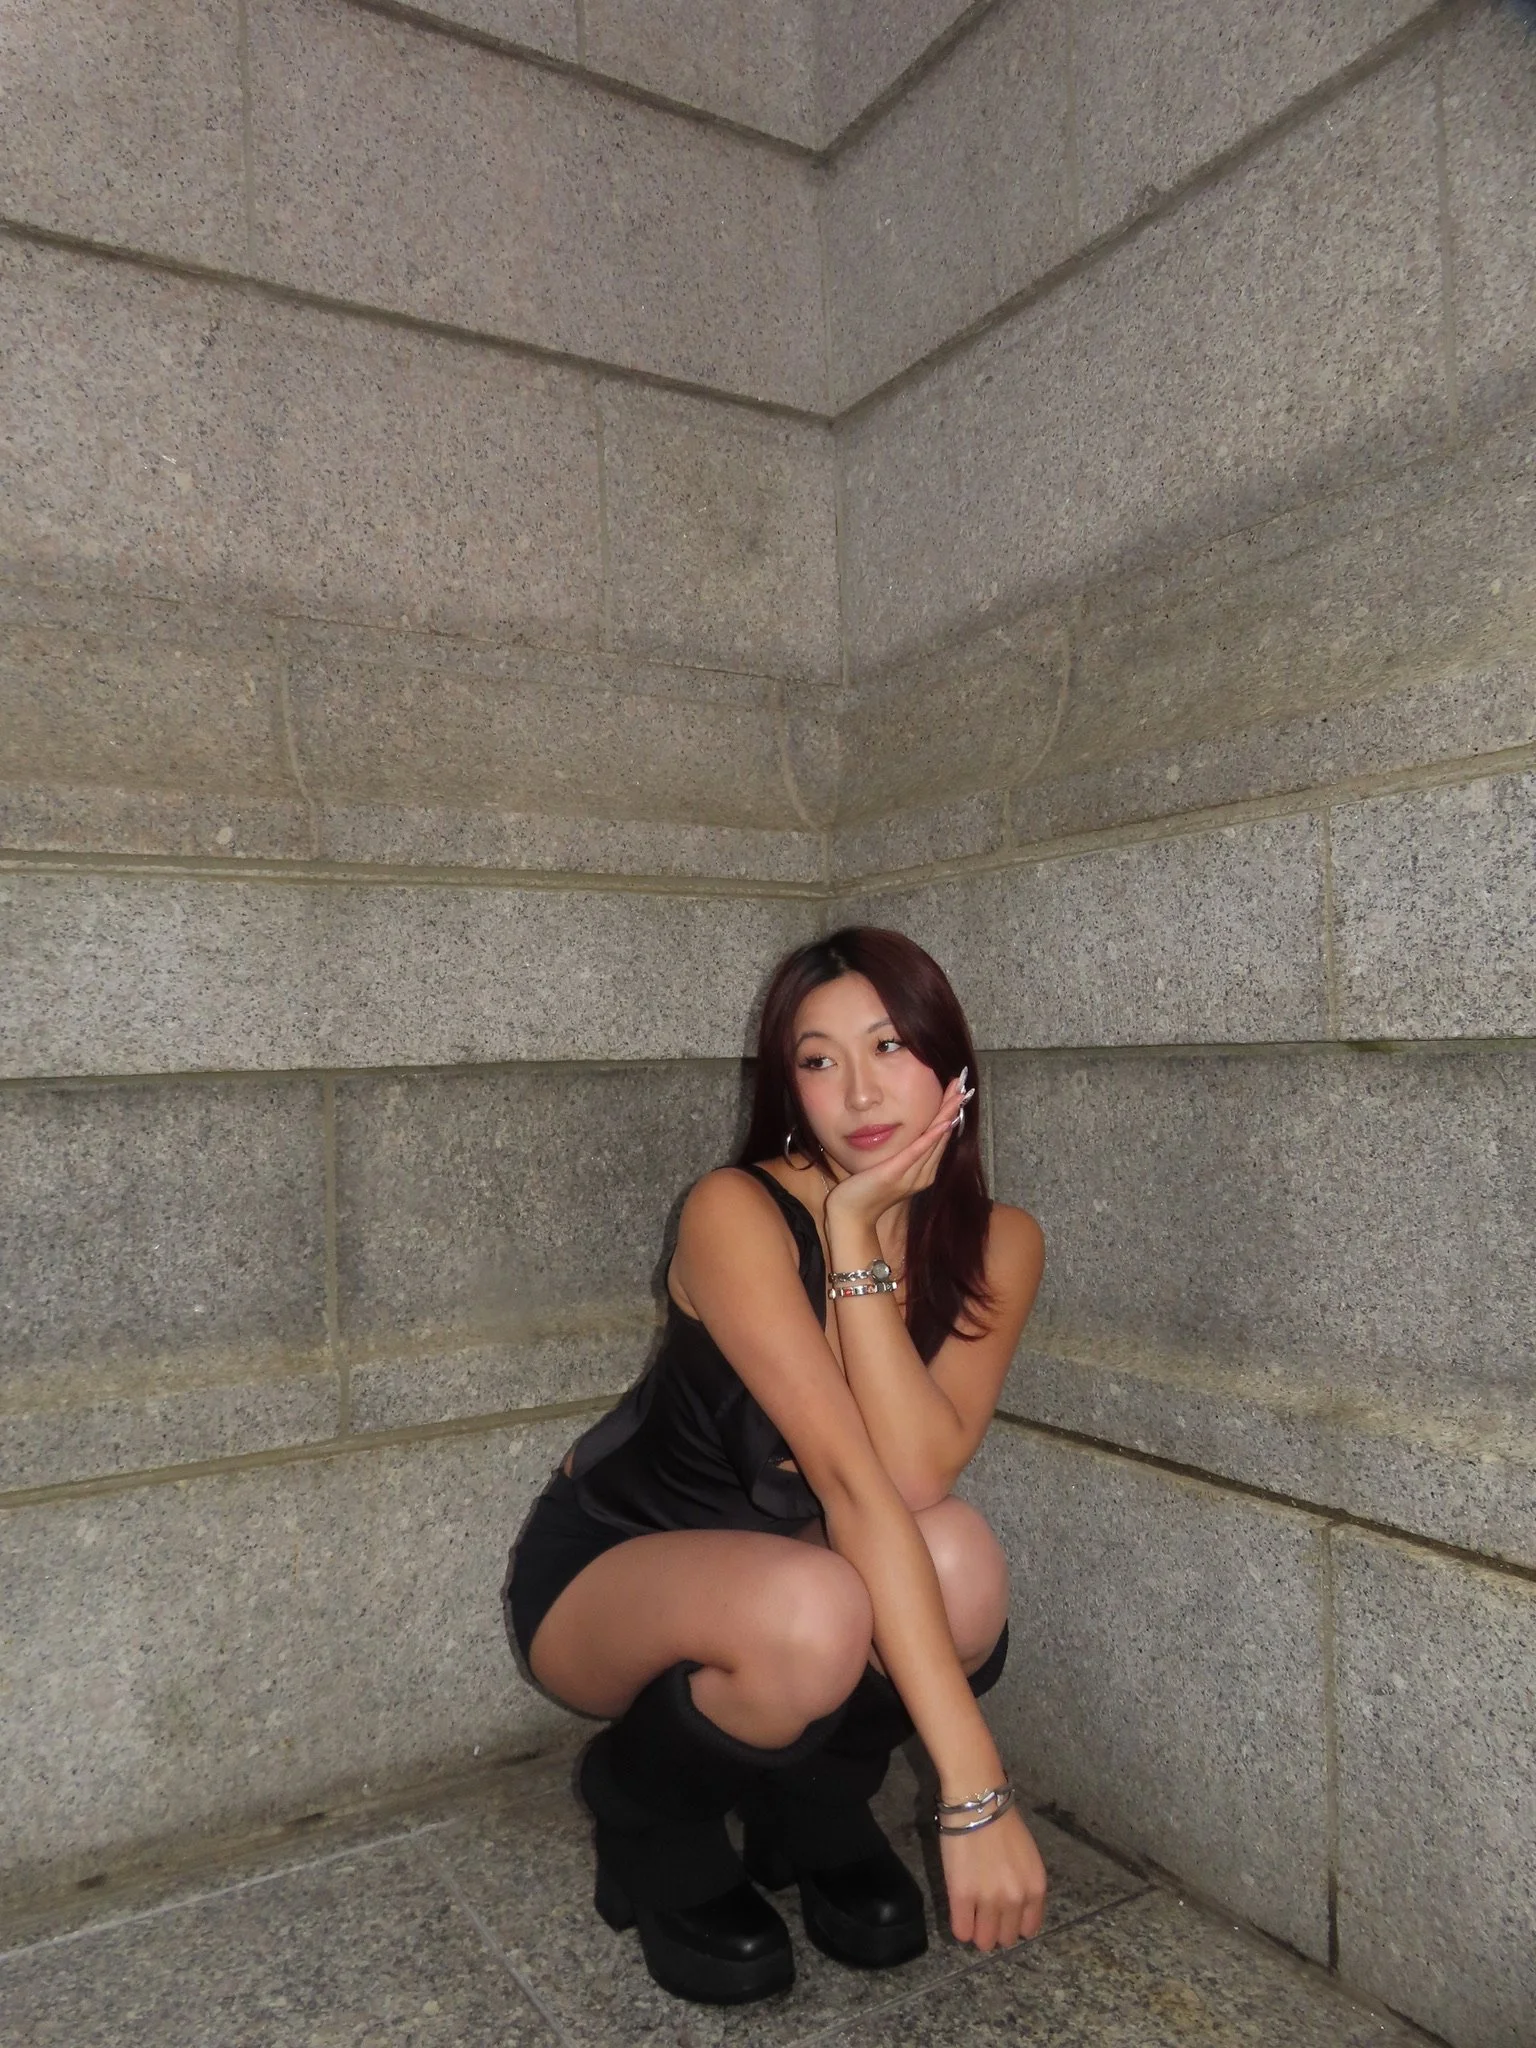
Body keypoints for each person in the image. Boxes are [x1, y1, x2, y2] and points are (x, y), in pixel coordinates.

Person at [504, 927, 1048, 2005]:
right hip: (615, 1568)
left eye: (888, 1045)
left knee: (960, 1564)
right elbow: (850, 1484)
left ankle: (811, 1799)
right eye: (818, 1059)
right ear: (788, 1087)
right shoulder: (734, 1212)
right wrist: (974, 1791)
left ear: (950, 1060)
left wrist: (859, 1239)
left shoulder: (1001, 1241)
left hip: (806, 1562)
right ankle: (646, 1813)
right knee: (815, 1611)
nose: (860, 1091)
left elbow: (912, 1478)